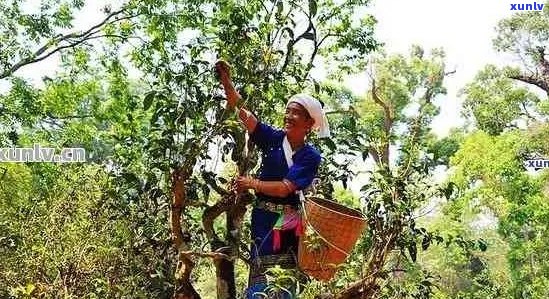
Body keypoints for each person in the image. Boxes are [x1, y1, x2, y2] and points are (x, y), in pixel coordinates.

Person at [215, 60, 330, 299]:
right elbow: (246, 116)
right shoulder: (274, 139)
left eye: (296, 113)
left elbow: (285, 188)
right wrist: (227, 83)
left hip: (288, 220)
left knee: (283, 277)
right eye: (288, 111)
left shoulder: (310, 156)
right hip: (262, 217)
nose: (288, 116)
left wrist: (252, 183)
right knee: (259, 277)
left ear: (309, 123)